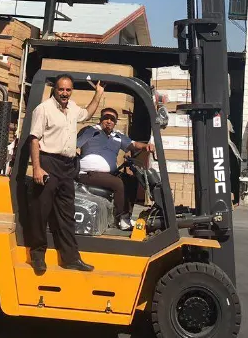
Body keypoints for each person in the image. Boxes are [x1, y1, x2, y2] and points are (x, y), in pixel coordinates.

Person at [29, 74, 104, 273]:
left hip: (67, 166)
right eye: (61, 89)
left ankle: (71, 258)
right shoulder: (44, 109)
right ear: (54, 89)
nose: (64, 93)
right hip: (48, 162)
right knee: (41, 211)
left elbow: (87, 114)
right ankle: (37, 256)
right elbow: (34, 139)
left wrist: (98, 94)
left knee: (67, 214)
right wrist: (36, 167)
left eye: (68, 90)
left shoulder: (72, 108)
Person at [77, 107, 154, 231]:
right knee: (118, 183)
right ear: (100, 119)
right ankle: (122, 218)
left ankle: (126, 216)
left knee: (133, 180)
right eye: (106, 118)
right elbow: (73, 145)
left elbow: (133, 144)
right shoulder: (90, 131)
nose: (109, 121)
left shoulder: (117, 136)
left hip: (108, 174)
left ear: (115, 122)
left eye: (112, 119)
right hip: (88, 173)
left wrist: (146, 146)